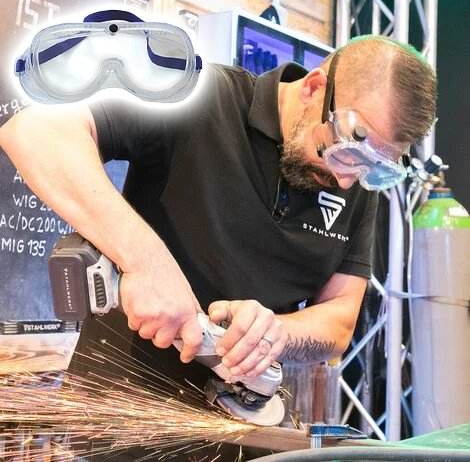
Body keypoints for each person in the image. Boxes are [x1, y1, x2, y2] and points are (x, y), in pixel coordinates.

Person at [0, 35, 436, 459]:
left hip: (247, 435)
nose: (346, 179)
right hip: (117, 426)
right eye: (344, 150)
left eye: (374, 168)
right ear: (314, 88)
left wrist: (272, 334)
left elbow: (339, 319)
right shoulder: (200, 95)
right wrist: (146, 262)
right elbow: (36, 131)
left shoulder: (355, 183)